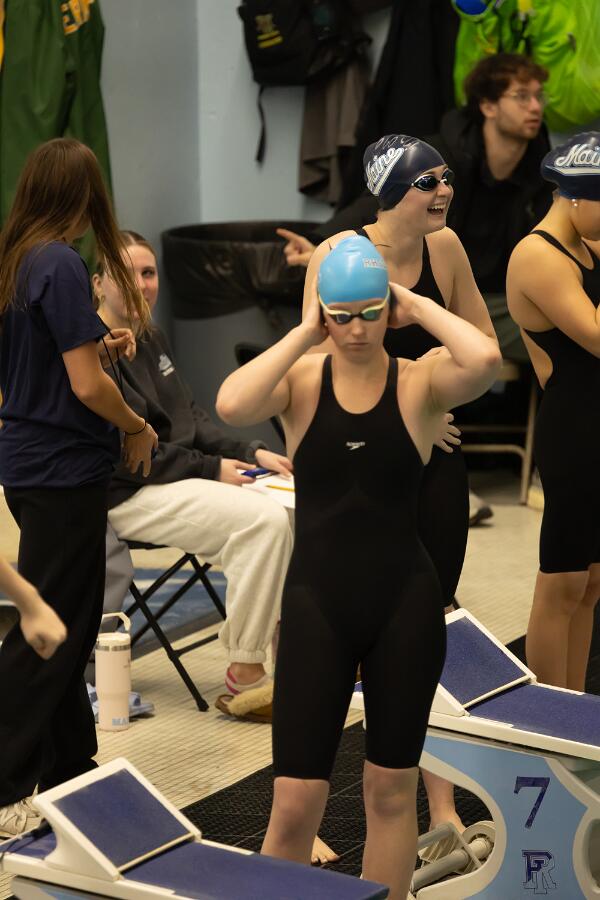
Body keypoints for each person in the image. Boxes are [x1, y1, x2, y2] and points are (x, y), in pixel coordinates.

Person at [217, 236, 501, 898]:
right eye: (340, 316)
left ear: (387, 310)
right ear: (323, 313)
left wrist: (414, 304)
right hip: (317, 607)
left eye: (369, 313)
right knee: (294, 801)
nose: (354, 329)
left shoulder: (420, 382)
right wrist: (304, 331)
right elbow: (231, 403)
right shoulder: (300, 382)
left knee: (390, 792)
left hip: (404, 607)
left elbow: (485, 358)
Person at [305, 134, 497, 856]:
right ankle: (307, 809)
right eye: (428, 182)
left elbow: (480, 344)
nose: (445, 190)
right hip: (362, 470)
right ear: (391, 193)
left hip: (435, 465)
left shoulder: (445, 250)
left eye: (446, 177)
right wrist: (407, 411)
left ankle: (439, 805)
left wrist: (433, 399)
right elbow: (317, 365)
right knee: (338, 639)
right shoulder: (340, 256)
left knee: (427, 629)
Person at [0, 138, 158, 838]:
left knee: (68, 625)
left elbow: (43, 359)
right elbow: (87, 387)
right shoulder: (61, 263)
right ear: (87, 194)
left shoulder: (17, 259)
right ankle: (6, 786)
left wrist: (103, 342)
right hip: (63, 469)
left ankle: (69, 771)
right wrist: (137, 426)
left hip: (33, 465)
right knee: (48, 631)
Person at [93, 231, 294, 717]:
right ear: (98, 284)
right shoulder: (91, 352)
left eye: (148, 273)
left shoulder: (151, 337)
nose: (141, 284)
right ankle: (246, 670)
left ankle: (292, 653)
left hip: (177, 477)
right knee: (263, 522)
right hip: (128, 493)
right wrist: (213, 468)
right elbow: (130, 455)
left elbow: (191, 419)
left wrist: (249, 451)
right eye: (126, 273)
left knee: (292, 506)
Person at [507, 133, 600, 691]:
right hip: (575, 432)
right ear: (576, 196)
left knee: (591, 584)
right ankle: (547, 715)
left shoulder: (589, 245)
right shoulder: (537, 255)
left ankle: (576, 708)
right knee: (561, 583)